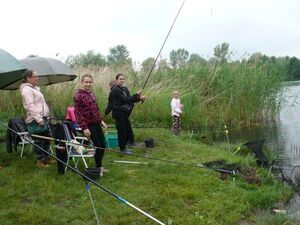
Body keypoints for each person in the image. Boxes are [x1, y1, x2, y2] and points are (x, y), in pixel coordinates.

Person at [74, 74, 108, 176]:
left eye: (90, 82)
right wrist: (84, 127)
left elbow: (95, 110)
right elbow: (78, 114)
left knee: (103, 145)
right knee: (97, 146)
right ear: (82, 82)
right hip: (88, 126)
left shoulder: (91, 94)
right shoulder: (78, 95)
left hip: (96, 123)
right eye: (86, 82)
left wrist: (101, 121)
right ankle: (98, 168)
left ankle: (99, 165)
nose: (88, 84)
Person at [108, 73, 146, 154]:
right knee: (121, 131)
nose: (122, 80)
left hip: (124, 112)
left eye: (123, 79)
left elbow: (130, 98)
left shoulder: (124, 88)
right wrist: (136, 94)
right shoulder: (115, 90)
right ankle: (122, 148)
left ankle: (130, 142)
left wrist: (139, 98)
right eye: (120, 79)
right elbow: (126, 100)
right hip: (118, 112)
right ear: (116, 80)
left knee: (127, 128)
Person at [20, 70, 51, 168]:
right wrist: (39, 119)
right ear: (28, 78)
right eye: (35, 76)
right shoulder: (26, 90)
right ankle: (40, 162)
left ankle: (46, 159)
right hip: (35, 119)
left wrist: (46, 115)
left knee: (47, 139)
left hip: (43, 117)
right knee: (39, 140)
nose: (37, 78)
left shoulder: (35, 88)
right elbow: (30, 106)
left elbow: (41, 103)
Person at [105, 79, 136, 146]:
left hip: (121, 111)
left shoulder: (114, 91)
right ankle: (131, 141)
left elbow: (111, 104)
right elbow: (129, 98)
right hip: (128, 108)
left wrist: (106, 113)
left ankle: (124, 143)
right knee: (127, 125)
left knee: (122, 127)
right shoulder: (123, 89)